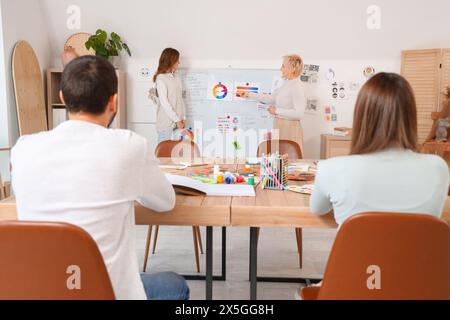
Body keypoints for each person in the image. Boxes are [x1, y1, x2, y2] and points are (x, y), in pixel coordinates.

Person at [11, 56, 190, 300]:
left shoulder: (23, 149)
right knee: (174, 286)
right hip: (109, 293)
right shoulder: (129, 146)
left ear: (62, 98)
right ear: (114, 102)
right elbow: (165, 202)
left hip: (43, 290)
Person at [294, 72, 449, 300]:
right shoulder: (438, 168)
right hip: (420, 288)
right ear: (410, 116)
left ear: (362, 116)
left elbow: (317, 209)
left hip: (352, 287)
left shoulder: (333, 168)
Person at [241, 54, 306, 152]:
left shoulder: (297, 86)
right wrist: (249, 94)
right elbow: (271, 98)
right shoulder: (287, 84)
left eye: (283, 66)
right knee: (278, 159)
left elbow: (299, 114)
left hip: (290, 128)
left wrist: (276, 111)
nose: (281, 69)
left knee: (290, 159)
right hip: (280, 125)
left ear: (292, 68)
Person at [153, 48, 186, 143]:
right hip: (166, 123)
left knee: (177, 154)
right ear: (170, 61)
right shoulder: (161, 79)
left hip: (179, 122)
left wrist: (183, 117)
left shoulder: (177, 77)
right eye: (177, 60)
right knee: (164, 155)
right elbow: (164, 103)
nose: (179, 62)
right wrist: (177, 120)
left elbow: (181, 99)